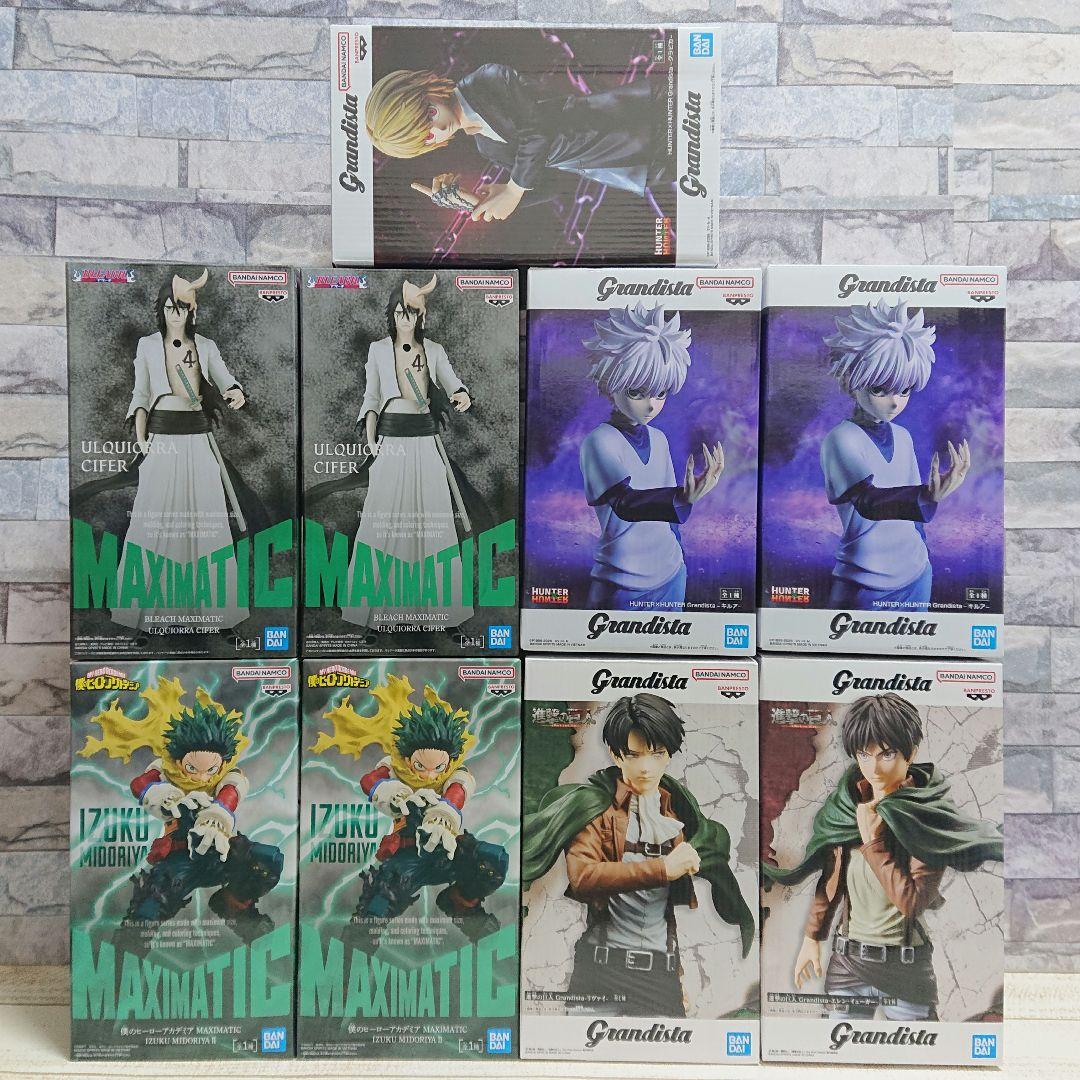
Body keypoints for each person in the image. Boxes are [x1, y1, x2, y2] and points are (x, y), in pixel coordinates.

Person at [764, 693, 1003, 1021]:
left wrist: (874, 842)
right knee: (836, 1047)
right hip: (848, 963)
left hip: (905, 968)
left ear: (910, 753)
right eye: (864, 754)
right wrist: (812, 938)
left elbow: (911, 902)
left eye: (887, 754)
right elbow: (831, 882)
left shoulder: (924, 819)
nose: (874, 767)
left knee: (916, 1048)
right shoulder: (846, 809)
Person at [522, 694, 753, 1017]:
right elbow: (584, 876)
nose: (646, 767)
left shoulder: (678, 811)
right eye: (634, 755)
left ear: (669, 754)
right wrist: (663, 868)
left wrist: (676, 973)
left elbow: (662, 910)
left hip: (660, 974)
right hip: (601, 971)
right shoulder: (596, 808)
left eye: (657, 754)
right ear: (616, 755)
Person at [77, 678, 283, 957]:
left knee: (269, 859)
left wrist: (216, 816)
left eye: (210, 770)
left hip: (222, 853)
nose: (201, 777)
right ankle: (123, 963)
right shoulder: (165, 771)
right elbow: (141, 784)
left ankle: (234, 904)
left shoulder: (229, 775)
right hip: (179, 859)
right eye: (192, 769)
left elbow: (231, 791)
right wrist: (161, 794)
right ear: (178, 761)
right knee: (147, 910)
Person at [311, 674, 508, 951]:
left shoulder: (456, 772)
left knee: (493, 861)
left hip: (447, 849)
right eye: (420, 766)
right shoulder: (394, 768)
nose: (429, 775)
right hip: (407, 857)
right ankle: (351, 958)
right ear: (407, 758)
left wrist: (444, 814)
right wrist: (388, 791)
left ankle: (462, 903)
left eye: (437, 768)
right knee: (377, 906)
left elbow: (458, 790)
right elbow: (370, 780)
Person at [339, 274, 481, 638]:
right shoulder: (377, 350)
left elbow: (452, 382)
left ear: (421, 315)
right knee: (381, 520)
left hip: (425, 441)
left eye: (412, 312)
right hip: (391, 441)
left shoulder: (434, 350)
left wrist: (461, 395)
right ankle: (373, 615)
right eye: (400, 311)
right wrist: (371, 440)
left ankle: (445, 616)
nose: (405, 318)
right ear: (392, 314)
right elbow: (371, 397)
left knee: (434, 521)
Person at [116, 269, 250, 635]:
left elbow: (225, 378)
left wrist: (235, 391)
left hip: (197, 438)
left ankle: (218, 616)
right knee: (153, 518)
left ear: (193, 310)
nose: (176, 314)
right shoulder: (147, 345)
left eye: (183, 308)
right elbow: (140, 393)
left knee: (208, 518)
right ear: (162, 309)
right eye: (170, 307)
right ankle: (143, 617)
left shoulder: (205, 346)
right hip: (162, 437)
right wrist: (142, 438)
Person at [365, 65, 671, 222]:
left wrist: (513, 189)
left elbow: (538, 131)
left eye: (429, 114)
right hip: (629, 167)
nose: (440, 127)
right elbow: (550, 185)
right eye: (428, 136)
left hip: (636, 120)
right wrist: (481, 201)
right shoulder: (486, 146)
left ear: (426, 89)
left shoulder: (485, 81)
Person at [820, 299, 971, 612]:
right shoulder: (841, 439)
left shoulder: (903, 437)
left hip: (917, 572)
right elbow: (869, 502)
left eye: (904, 391)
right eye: (879, 389)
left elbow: (913, 520)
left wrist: (923, 542)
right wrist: (927, 495)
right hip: (863, 579)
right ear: (850, 381)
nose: (894, 402)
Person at [578, 302, 724, 612]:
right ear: (611, 384)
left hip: (671, 573)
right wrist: (682, 497)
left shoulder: (659, 439)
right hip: (620, 580)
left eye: (660, 393)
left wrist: (680, 553)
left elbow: (669, 521)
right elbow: (626, 503)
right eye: (636, 392)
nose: (651, 405)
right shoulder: (599, 441)